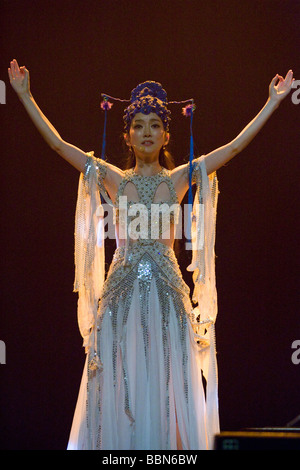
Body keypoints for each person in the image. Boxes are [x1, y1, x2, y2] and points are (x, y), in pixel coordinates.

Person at [8, 59, 294, 450]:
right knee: (118, 381)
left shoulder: (179, 179)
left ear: (166, 135)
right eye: (138, 125)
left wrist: (273, 103)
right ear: (126, 136)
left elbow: (235, 146)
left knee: (165, 383)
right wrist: (24, 95)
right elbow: (59, 145)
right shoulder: (112, 178)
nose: (146, 132)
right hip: (121, 300)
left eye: (155, 125)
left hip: (166, 299)